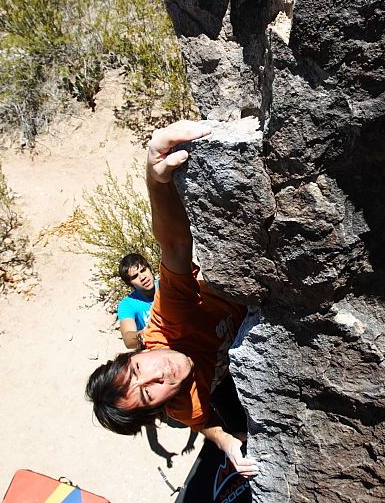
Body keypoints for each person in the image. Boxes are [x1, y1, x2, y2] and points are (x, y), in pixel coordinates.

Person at [87, 121, 259, 478]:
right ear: (162, 409)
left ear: (136, 355)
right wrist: (225, 440)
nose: (157, 375)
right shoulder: (181, 404)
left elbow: (176, 245)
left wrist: (156, 179)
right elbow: (200, 420)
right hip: (225, 377)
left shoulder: (171, 321)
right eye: (149, 395)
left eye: (138, 370)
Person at [116, 253, 156, 349]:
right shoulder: (128, 304)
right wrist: (151, 333)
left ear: (150, 269)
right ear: (129, 283)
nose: (142, 277)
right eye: (134, 277)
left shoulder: (168, 285)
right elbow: (128, 339)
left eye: (143, 270)